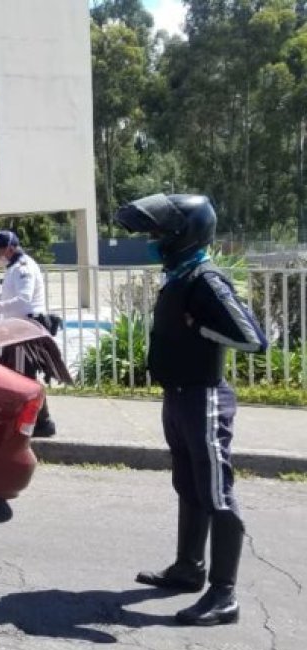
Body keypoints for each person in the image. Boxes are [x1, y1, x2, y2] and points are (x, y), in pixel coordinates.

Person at [115, 193, 267, 626]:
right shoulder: (180, 274)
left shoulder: (206, 279)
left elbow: (254, 339)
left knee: (217, 493)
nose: (154, 239)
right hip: (178, 397)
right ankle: (188, 568)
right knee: (189, 486)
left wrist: (200, 328)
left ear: (185, 234)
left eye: (160, 232)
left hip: (204, 397)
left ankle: (224, 595)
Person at [0, 230, 58, 437]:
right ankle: (38, 421)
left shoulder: (23, 268)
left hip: (26, 329)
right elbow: (13, 295)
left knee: (24, 376)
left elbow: (23, 300)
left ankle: (42, 422)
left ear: (9, 249)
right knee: (20, 374)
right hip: (18, 328)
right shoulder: (14, 267)